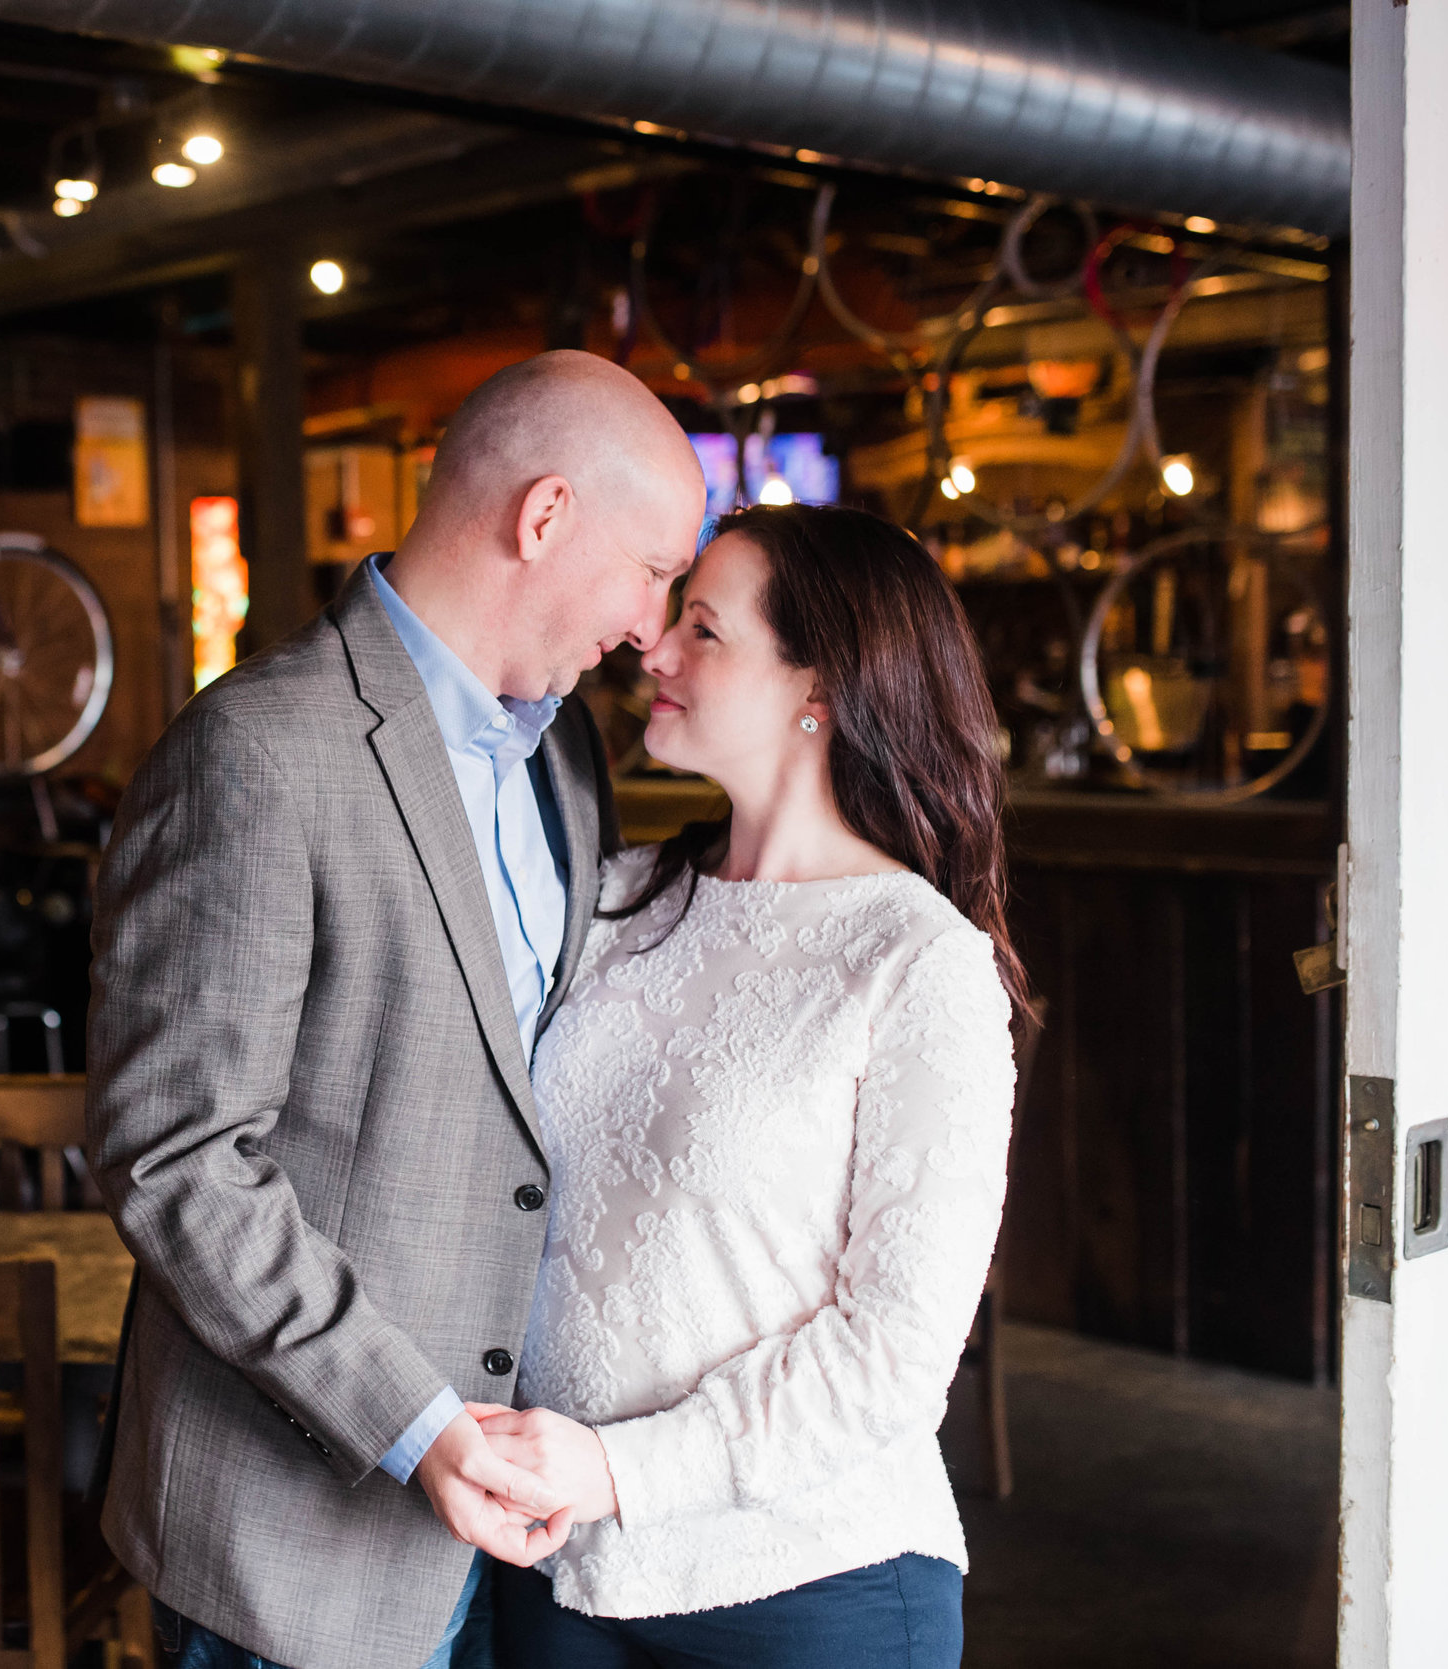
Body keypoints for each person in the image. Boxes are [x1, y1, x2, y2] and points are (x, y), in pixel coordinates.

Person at [85, 350, 708, 1669]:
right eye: (655, 570)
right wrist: (420, 1425)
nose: (655, 629)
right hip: (292, 1546)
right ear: (544, 518)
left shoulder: (572, 751)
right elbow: (179, 1160)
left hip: (521, 1538)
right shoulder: (250, 754)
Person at [471, 502, 1027, 1669]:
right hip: (559, 1558)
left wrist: (617, 1468)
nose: (653, 648)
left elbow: (894, 1350)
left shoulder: (914, 959)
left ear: (815, 685)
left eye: (704, 631)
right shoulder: (616, 900)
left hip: (808, 1584)